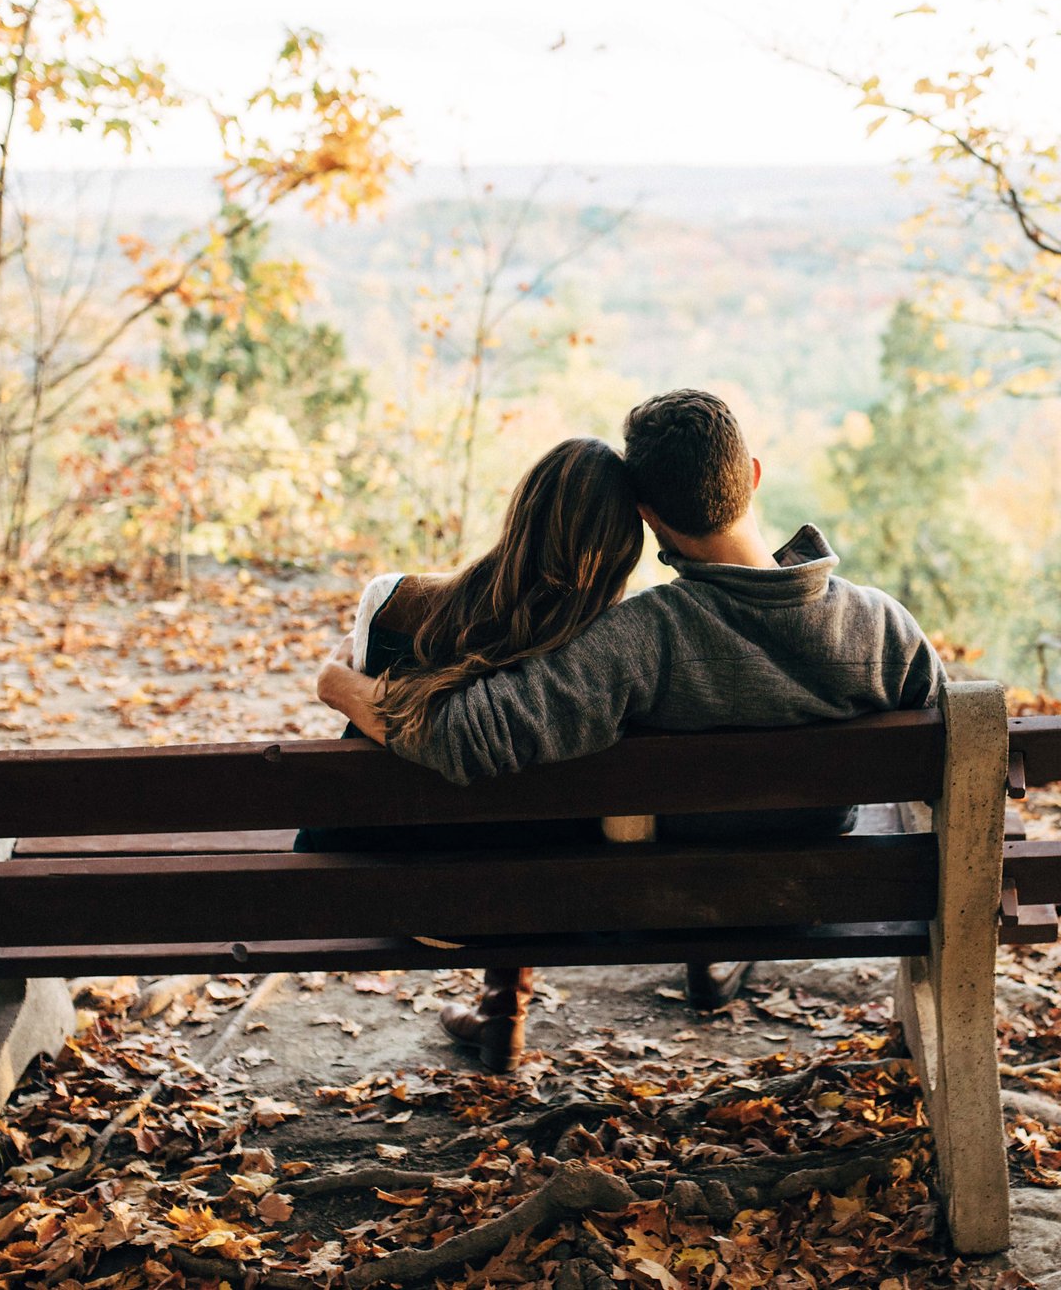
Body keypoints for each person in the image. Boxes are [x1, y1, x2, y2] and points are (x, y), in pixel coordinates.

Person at [319, 389, 944, 1072]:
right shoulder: (883, 628)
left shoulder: (638, 640)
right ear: (754, 474)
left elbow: (465, 735)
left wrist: (341, 686)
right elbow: (956, 748)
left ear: (648, 517)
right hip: (818, 895)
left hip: (680, 899)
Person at [299, 434, 642, 858]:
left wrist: (334, 681)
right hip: (528, 897)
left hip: (371, 878)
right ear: (625, 549)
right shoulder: (618, 655)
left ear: (522, 513)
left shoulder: (394, 602)